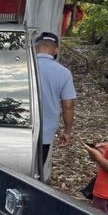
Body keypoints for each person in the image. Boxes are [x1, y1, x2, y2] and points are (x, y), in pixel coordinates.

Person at [36, 31, 76, 162]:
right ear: (56, 49)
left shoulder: (22, 67)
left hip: (18, 128)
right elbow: (68, 106)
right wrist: (67, 132)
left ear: (35, 46)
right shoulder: (64, 73)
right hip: (45, 131)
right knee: (36, 170)